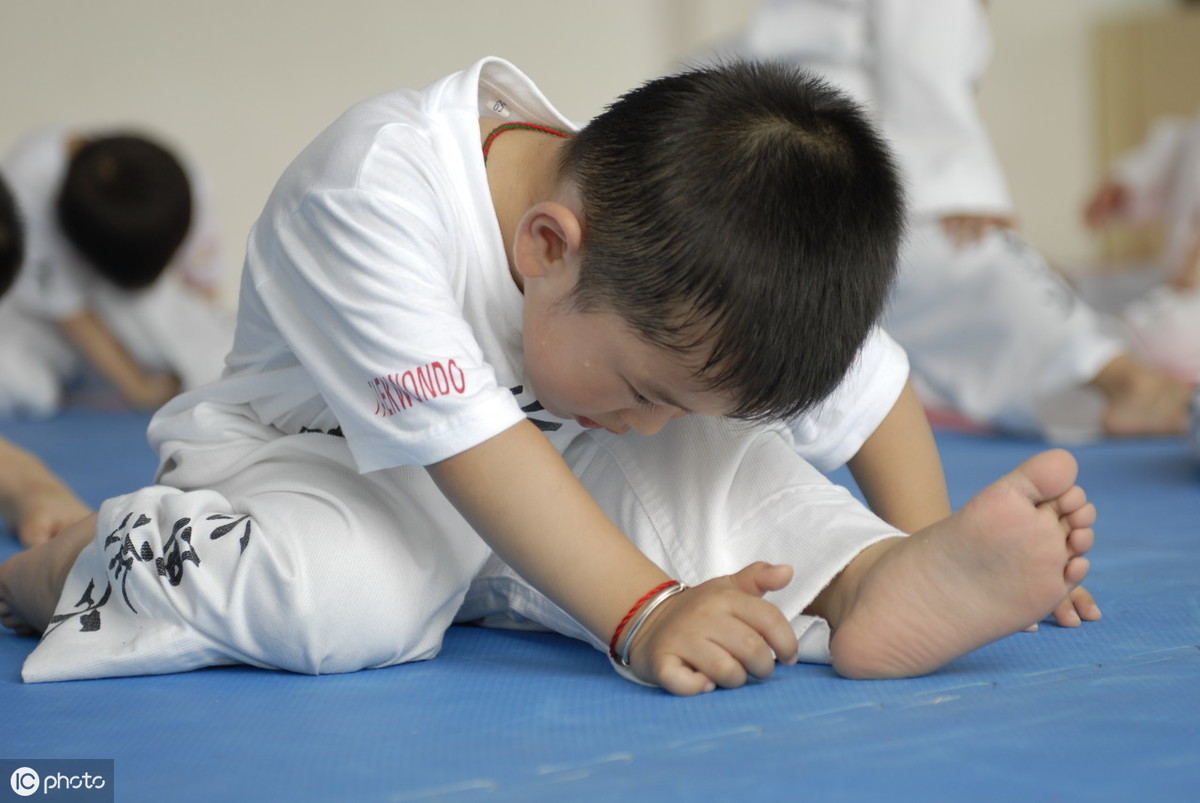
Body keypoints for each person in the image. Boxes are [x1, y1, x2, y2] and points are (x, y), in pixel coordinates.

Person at [0, 59, 1096, 694]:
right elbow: (477, 452)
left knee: (734, 466)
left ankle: (876, 578)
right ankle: (59, 564)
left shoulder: (691, 258)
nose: (651, 422)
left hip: (548, 470)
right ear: (543, 244)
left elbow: (870, 392)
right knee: (346, 604)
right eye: (642, 387)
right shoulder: (377, 194)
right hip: (315, 471)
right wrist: (643, 611)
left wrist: (929, 541)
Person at [734, 0, 1194, 442]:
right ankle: (1126, 383)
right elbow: (921, 55)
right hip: (844, 161)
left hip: (788, 154)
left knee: (874, 312)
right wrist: (957, 178)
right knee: (983, 265)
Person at [0, 127, 233, 418]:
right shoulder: (28, 182)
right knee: (25, 388)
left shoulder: (186, 187)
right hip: (31, 307)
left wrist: (198, 338)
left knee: (202, 351)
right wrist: (140, 388)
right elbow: (69, 310)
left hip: (120, 275)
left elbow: (203, 290)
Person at [1084, 108, 1200, 382]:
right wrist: (1131, 179)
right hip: (1177, 289)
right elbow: (1182, 144)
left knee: (1169, 331)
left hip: (1181, 300)